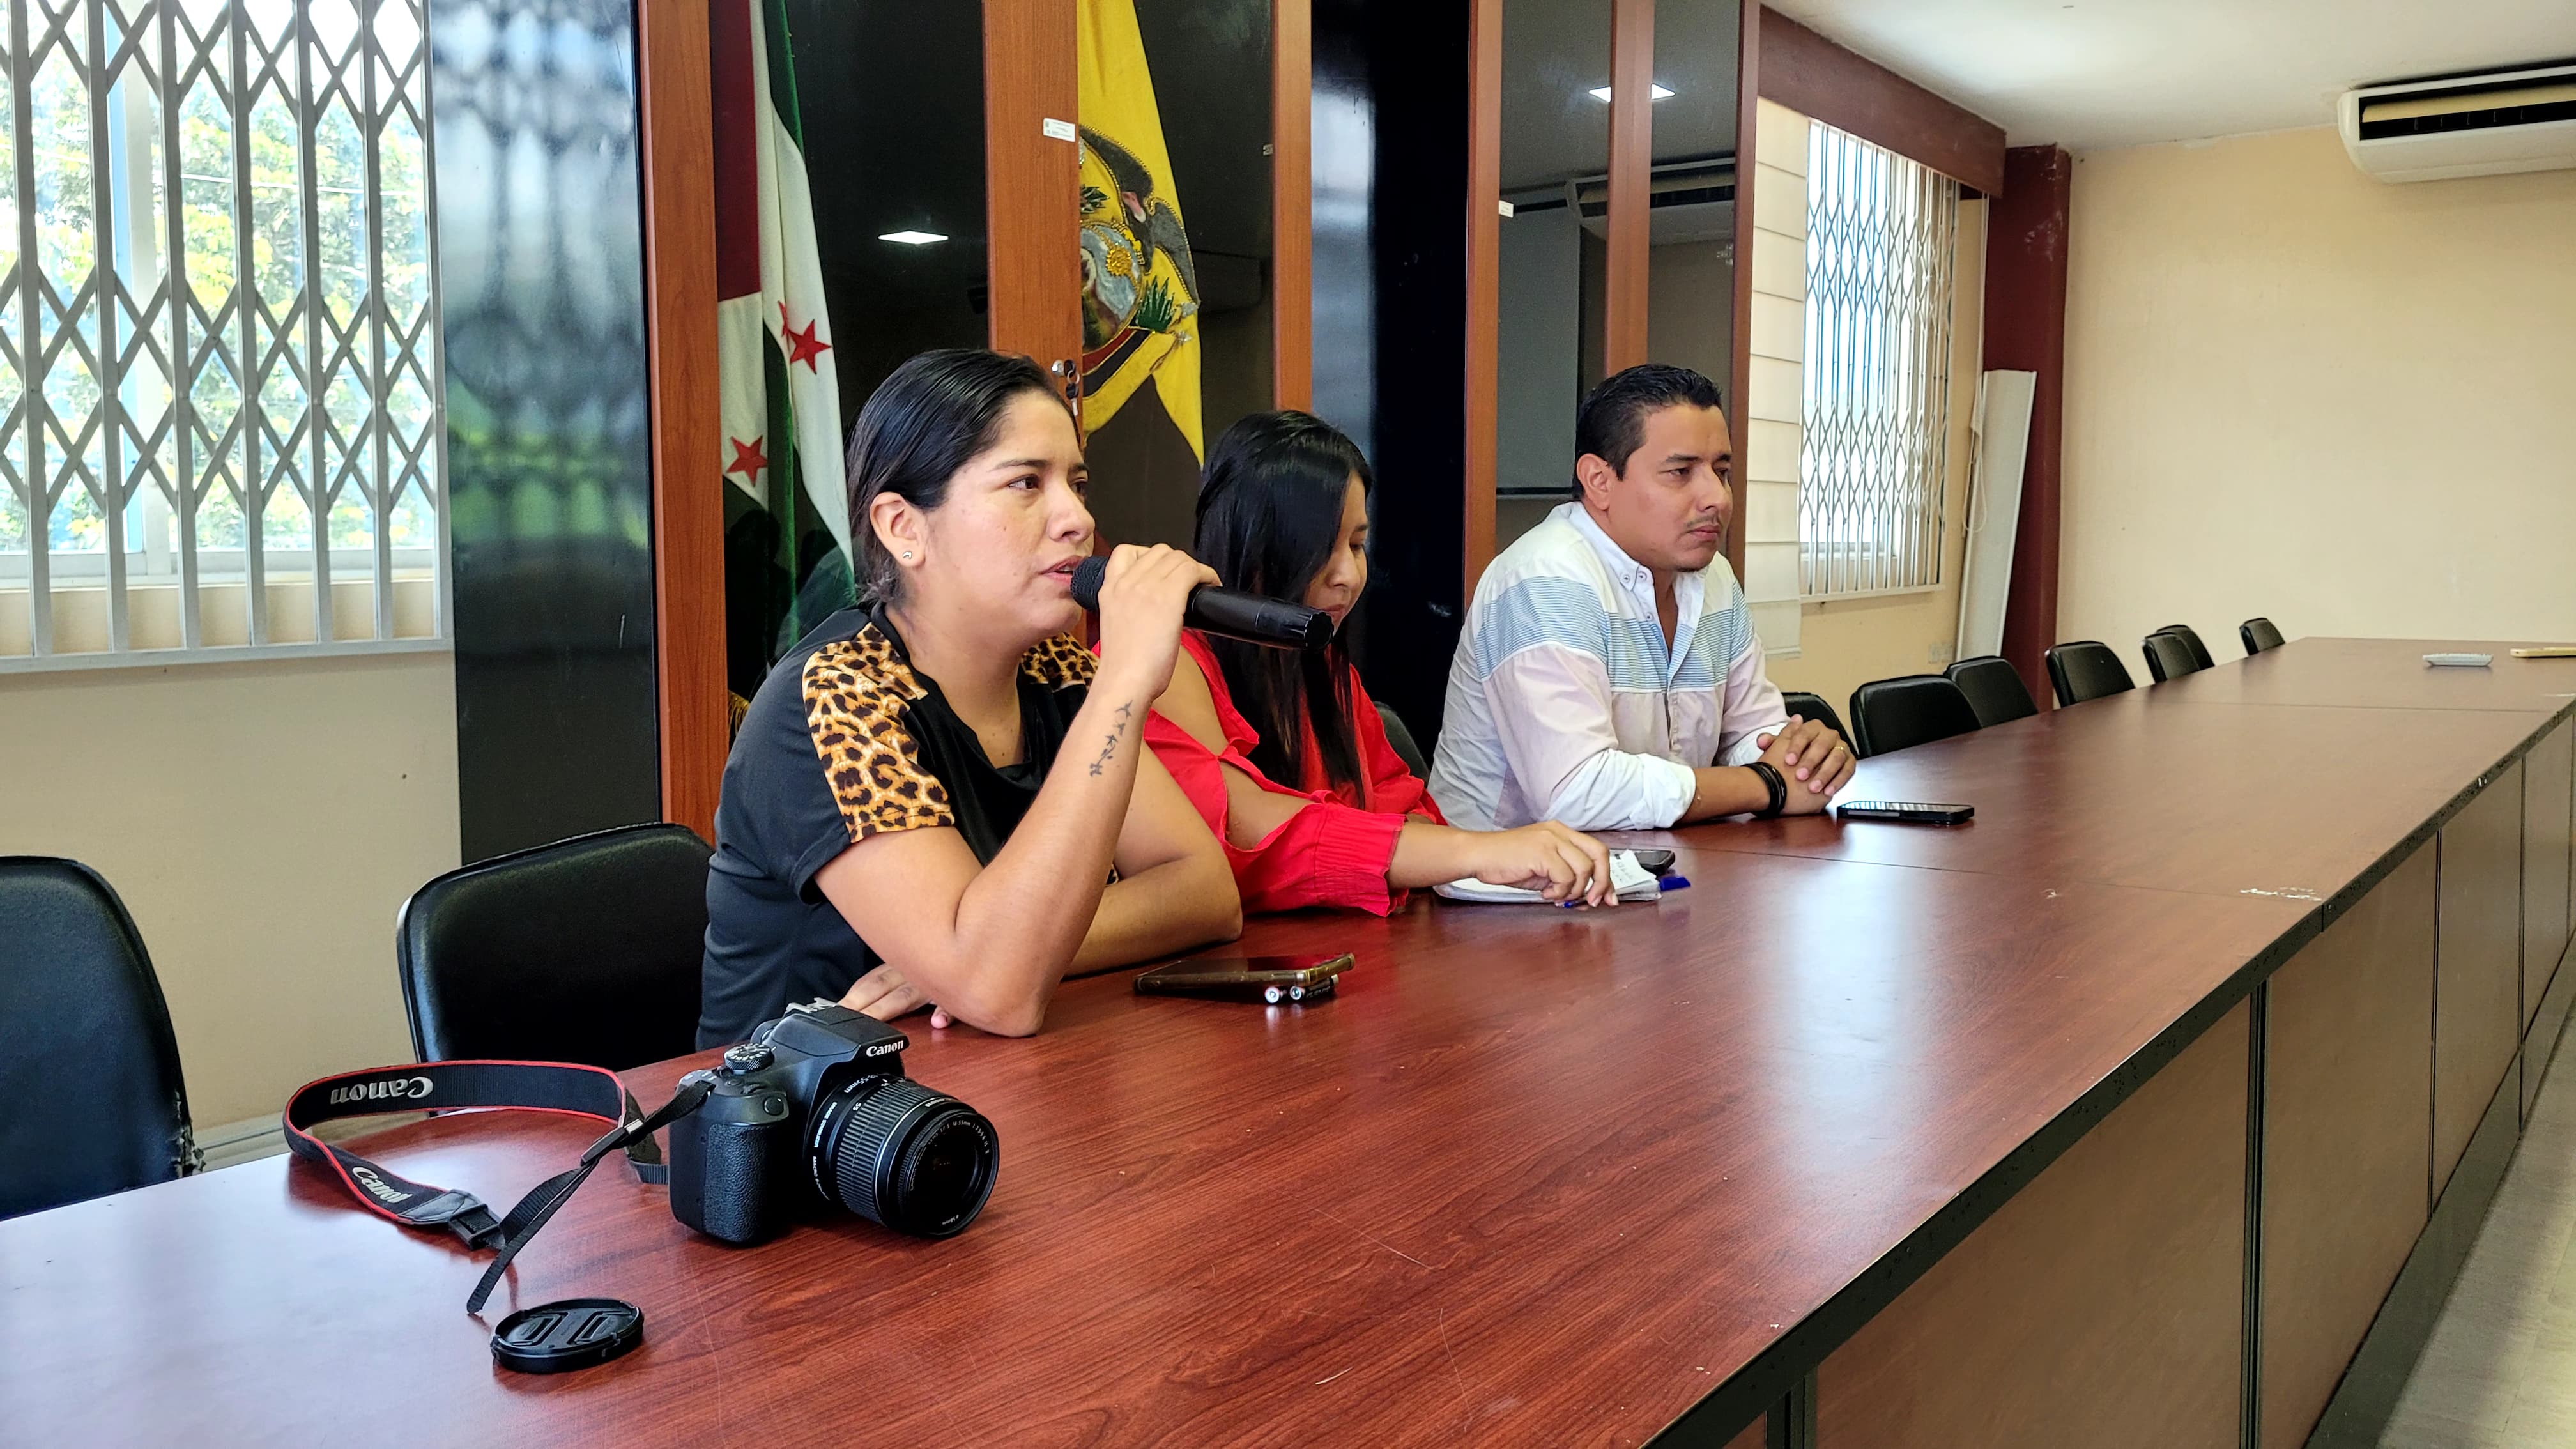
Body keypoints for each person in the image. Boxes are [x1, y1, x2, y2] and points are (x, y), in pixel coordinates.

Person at [698, 349, 1241, 1046]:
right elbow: (1001, 994)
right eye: (1025, 483)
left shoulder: (1054, 668)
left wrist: (1002, 953)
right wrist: (1126, 683)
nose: (1077, 518)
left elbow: (1204, 893)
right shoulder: (834, 695)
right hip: (803, 1101)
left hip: (977, 1078)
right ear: (903, 528)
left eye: (1077, 483)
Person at [1140, 410, 1616, 914]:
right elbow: (1243, 826)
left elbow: (1407, 807)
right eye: (1321, 549)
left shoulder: (1321, 666)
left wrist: (1406, 846)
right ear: (1254, 544)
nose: (1348, 575)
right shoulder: (1164, 663)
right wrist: (1473, 851)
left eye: (1357, 545)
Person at [1429, 364, 1854, 831]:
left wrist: (1804, 760)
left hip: (1657, 859)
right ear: (1599, 480)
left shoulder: (1712, 577)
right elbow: (1576, 792)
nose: (1717, 497)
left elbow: (1754, 735)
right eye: (1680, 472)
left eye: (1722, 471)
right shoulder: (1544, 580)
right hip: (1507, 873)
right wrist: (1767, 784)